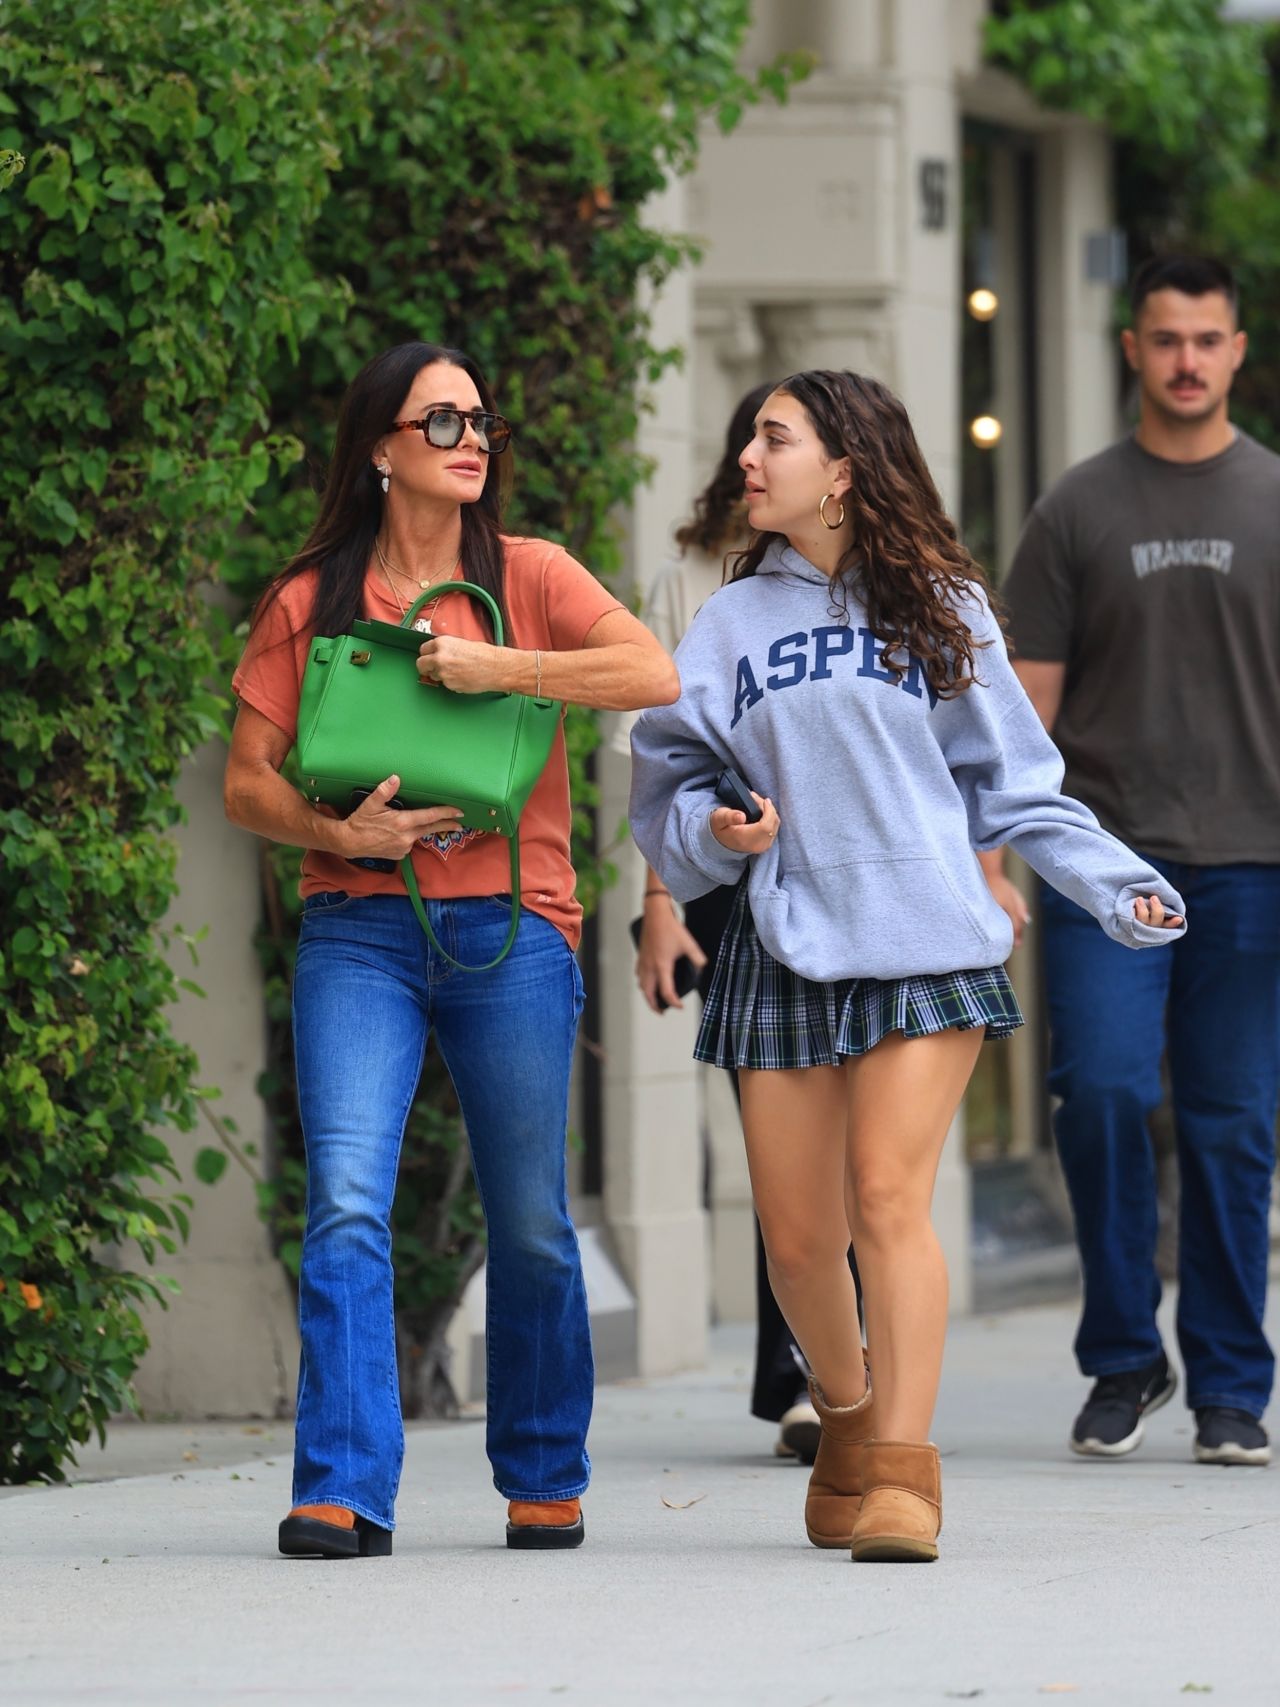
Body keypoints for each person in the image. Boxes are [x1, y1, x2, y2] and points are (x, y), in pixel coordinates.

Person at [628, 369, 1187, 1563]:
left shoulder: (944, 607)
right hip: (785, 943)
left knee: (887, 1198)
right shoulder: (727, 625)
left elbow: (1018, 787)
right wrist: (711, 842)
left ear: (840, 467)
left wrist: (1109, 882)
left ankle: (900, 1473)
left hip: (924, 940)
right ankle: (845, 1414)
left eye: (772, 440)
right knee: (793, 1238)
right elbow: (665, 790)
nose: (748, 459)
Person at [224, 340, 678, 1557]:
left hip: (513, 932)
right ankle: (341, 1488)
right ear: (381, 450)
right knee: (346, 1206)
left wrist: (498, 666)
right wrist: (336, 827)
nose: (471, 440)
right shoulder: (311, 597)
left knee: (530, 1217)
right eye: (440, 423)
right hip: (357, 929)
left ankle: (542, 1473)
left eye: (480, 421)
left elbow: (651, 669)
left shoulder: (527, 575)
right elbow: (242, 785)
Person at [988, 256, 1280, 1468]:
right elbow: (1017, 716)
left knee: (1230, 1122)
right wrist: (995, 855)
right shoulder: (1074, 509)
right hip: (1102, 870)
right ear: (1130, 347)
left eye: (1205, 340)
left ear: (1235, 350)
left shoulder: (1273, 496)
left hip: (1253, 862)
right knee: (1100, 1091)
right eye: (1165, 339)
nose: (1185, 361)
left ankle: (1227, 1384)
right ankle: (1120, 1360)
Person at [628, 378, 861, 1466]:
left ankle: (849, 1378)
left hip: (851, 882)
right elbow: (651, 763)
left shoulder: (877, 588)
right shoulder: (688, 588)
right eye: (751, 443)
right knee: (783, 1148)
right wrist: (659, 906)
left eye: (778, 442)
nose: (756, 463)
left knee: (861, 1151)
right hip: (726, 877)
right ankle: (801, 1378)